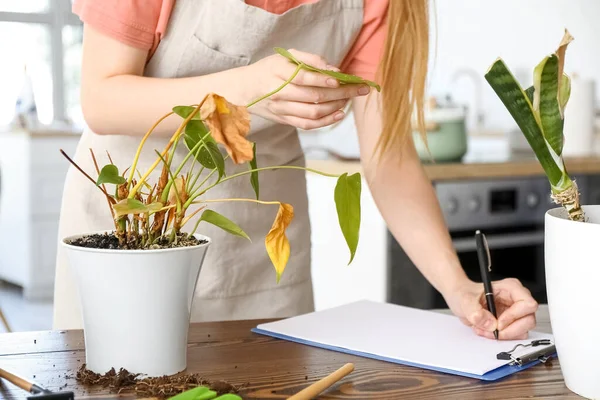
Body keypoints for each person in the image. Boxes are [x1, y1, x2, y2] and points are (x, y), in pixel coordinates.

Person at [54, 0, 538, 340]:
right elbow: (101, 97)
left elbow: (388, 156)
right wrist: (245, 87)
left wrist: (460, 287)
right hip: (129, 220)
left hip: (259, 240)